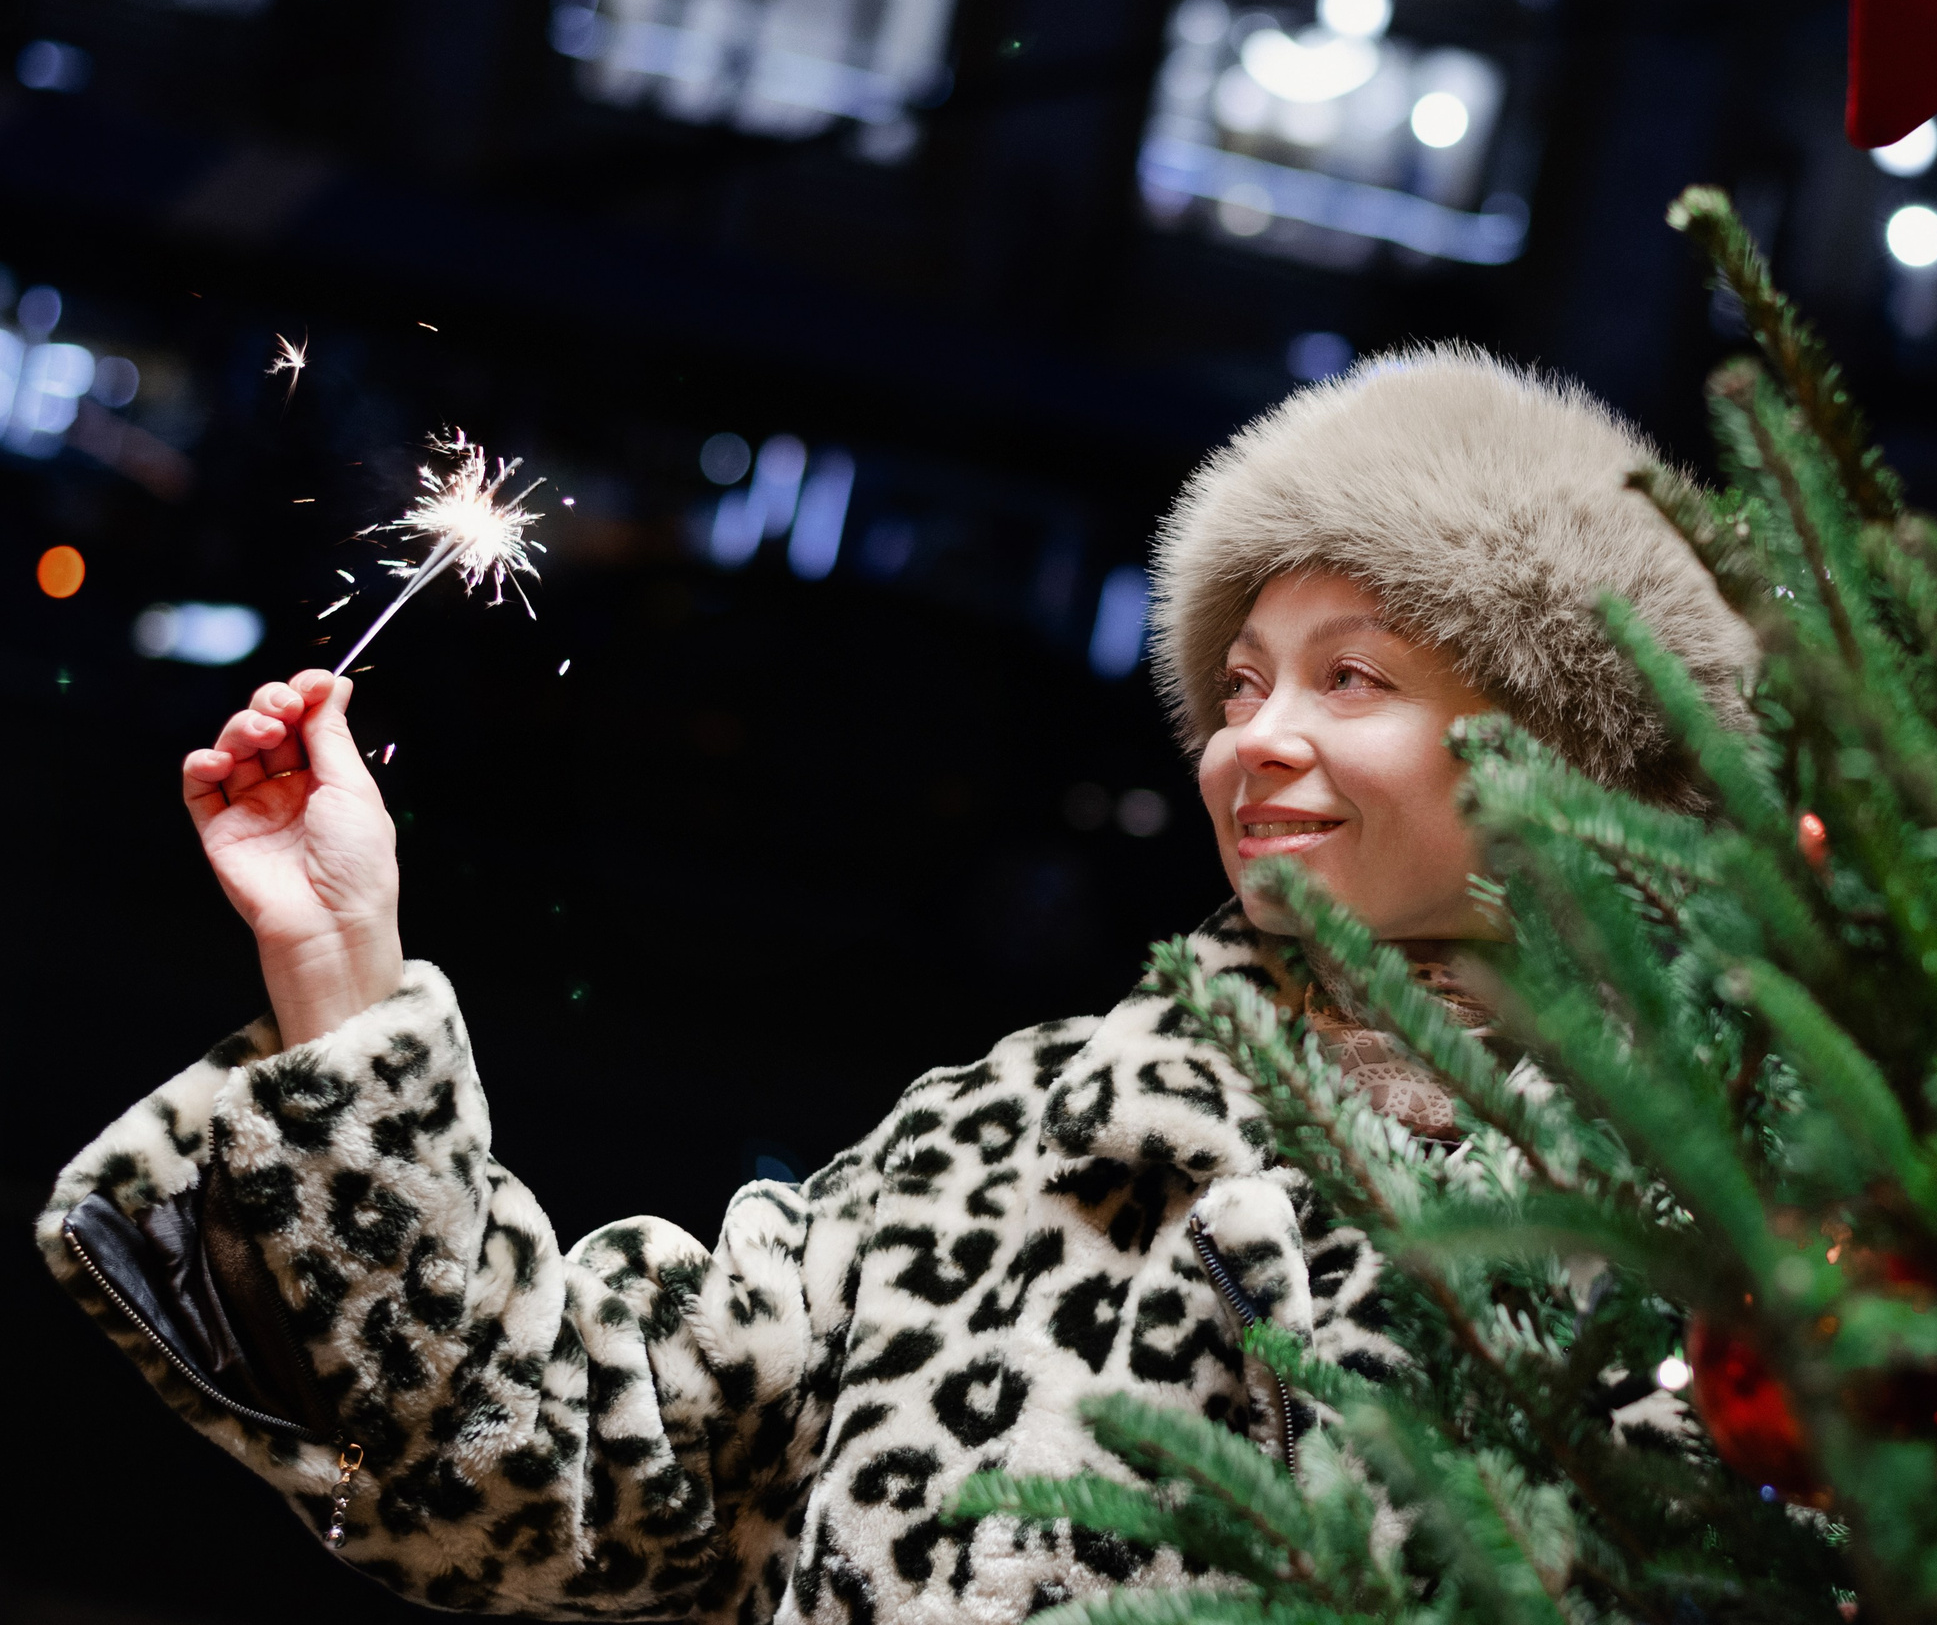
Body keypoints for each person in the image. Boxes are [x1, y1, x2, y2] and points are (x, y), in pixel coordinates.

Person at [35, 345, 1755, 1625]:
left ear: (1559, 747)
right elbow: (547, 1472)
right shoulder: (1037, 1134)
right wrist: (338, 958)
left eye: (1350, 677)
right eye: (1236, 686)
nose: (1259, 743)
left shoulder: (1703, 1238)